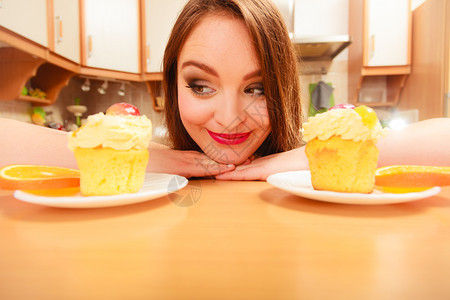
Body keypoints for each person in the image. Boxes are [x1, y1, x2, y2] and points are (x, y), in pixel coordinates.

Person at [1, 0, 449, 180]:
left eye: (257, 88)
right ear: (172, 85)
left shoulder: (315, 175)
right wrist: (144, 156)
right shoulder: (150, 175)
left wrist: (300, 158)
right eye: (201, 85)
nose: (231, 116)